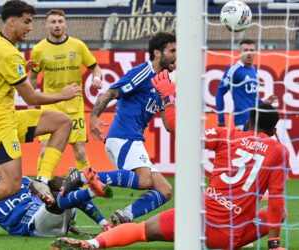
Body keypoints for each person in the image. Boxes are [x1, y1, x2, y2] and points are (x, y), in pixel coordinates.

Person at [51, 72, 288, 250]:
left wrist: (168, 96)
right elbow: (276, 201)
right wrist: (275, 242)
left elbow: (179, 130)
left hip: (196, 220)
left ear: (247, 123)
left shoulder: (228, 135)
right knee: (282, 213)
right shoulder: (279, 151)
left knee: (141, 230)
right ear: (274, 129)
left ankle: (93, 244)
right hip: (232, 236)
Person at [0, 0, 83, 238]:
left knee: (62, 122)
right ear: (12, 21)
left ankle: (41, 179)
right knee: (9, 185)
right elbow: (30, 95)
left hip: (6, 116)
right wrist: (63, 94)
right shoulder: (9, 53)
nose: (30, 27)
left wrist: (18, 68)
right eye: (27, 21)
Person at [87, 32, 176, 225]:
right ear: (157, 53)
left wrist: (170, 99)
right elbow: (111, 92)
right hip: (124, 136)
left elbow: (169, 126)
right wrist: (94, 117)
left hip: (133, 138)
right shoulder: (143, 72)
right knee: (144, 180)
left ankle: (122, 217)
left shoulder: (163, 83)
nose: (176, 55)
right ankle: (84, 176)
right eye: (172, 51)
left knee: (165, 190)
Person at [0, 155, 112, 237]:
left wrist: (70, 227)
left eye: (3, 164)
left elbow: (47, 189)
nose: (4, 168)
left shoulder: (22, 180)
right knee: (63, 196)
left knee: (58, 189)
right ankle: (89, 189)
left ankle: (105, 225)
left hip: (51, 214)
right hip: (33, 226)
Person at [29, 9, 102, 172]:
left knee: (80, 150)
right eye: (53, 22)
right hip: (50, 105)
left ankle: (85, 188)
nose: (57, 25)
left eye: (60, 22)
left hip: (73, 106)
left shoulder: (77, 46)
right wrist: (31, 102)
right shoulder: (39, 49)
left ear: (65, 24)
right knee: (45, 150)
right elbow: (32, 78)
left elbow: (95, 68)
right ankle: (42, 186)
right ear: (47, 25)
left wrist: (97, 78)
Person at [216, 39, 277, 131]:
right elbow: (220, 92)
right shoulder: (234, 70)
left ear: (255, 52)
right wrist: (221, 119)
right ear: (240, 52)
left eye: (251, 50)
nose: (249, 53)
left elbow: (250, 97)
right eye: (245, 50)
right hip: (243, 121)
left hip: (256, 121)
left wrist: (263, 103)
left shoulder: (254, 70)